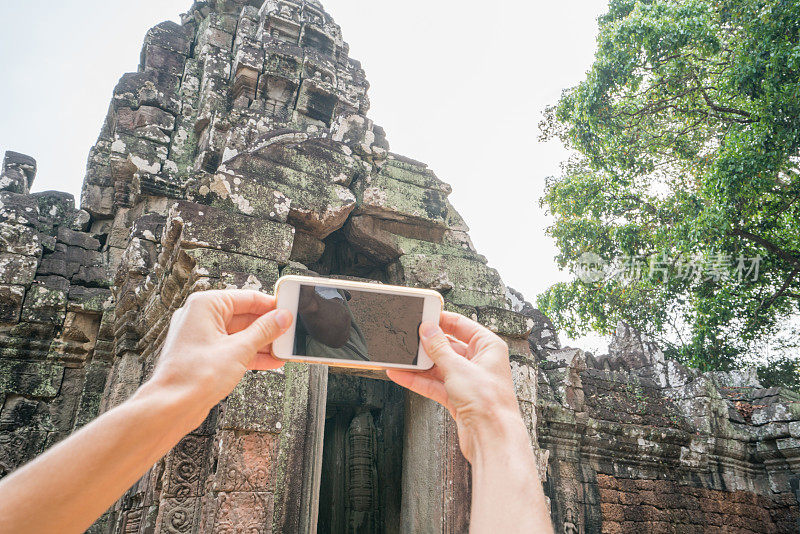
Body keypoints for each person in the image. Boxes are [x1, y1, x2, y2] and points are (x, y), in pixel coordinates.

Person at [0, 290, 553, 533]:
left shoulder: (358, 338)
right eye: (309, 304)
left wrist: (169, 399)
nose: (316, 308)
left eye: (323, 302)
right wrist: (499, 425)